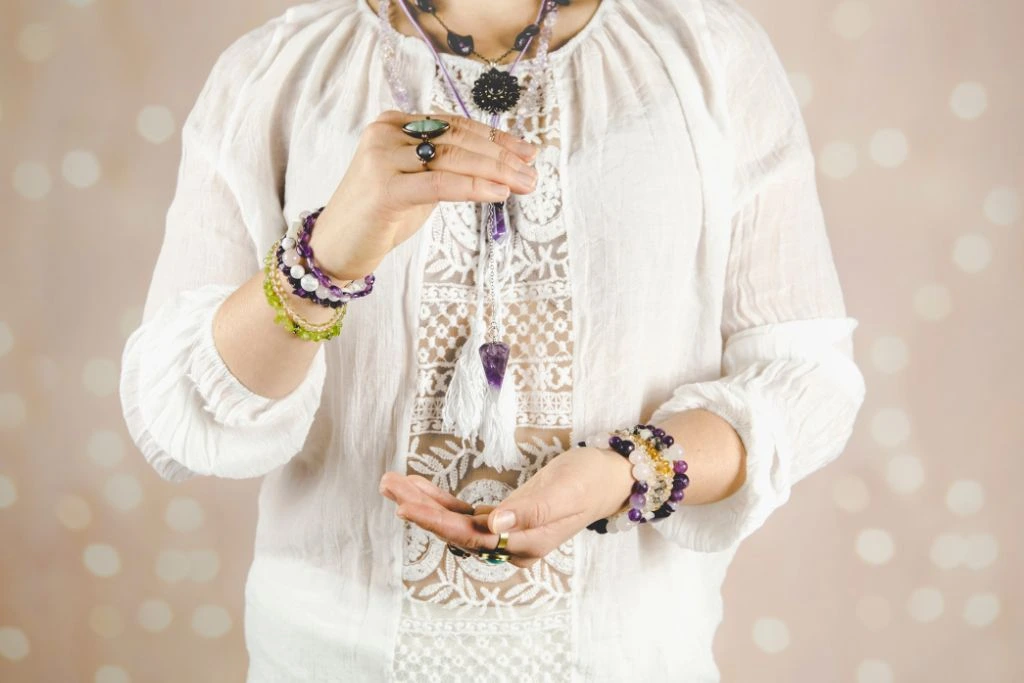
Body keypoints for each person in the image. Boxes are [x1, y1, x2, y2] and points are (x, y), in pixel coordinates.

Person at [118, 0, 867, 680]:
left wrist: (624, 473)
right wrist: (324, 259)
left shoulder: (707, 53)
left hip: (630, 659)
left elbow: (804, 380)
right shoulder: (276, 71)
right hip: (326, 657)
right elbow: (183, 412)